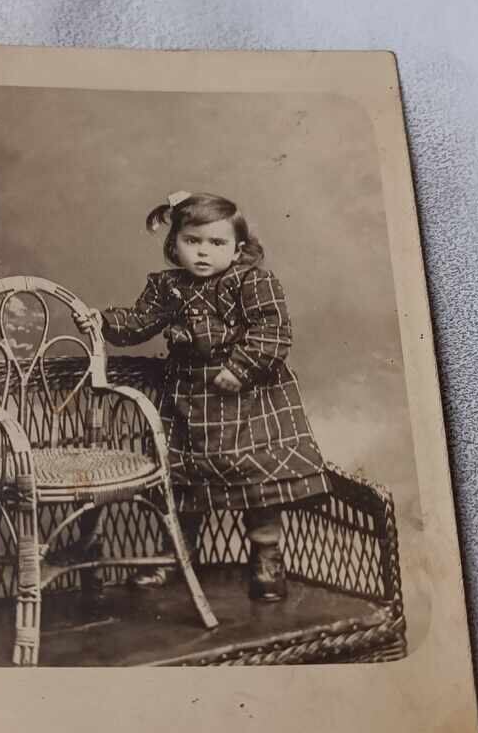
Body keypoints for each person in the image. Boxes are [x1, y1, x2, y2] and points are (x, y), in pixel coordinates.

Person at [73, 191, 329, 602]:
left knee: (260, 479)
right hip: (191, 397)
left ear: (238, 249)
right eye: (193, 241)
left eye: (217, 243)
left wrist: (242, 368)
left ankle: (267, 556)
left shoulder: (253, 281)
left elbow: (273, 330)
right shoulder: (168, 287)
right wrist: (100, 319)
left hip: (251, 399)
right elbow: (138, 323)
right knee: (184, 481)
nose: (204, 253)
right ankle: (177, 554)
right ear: (174, 244)